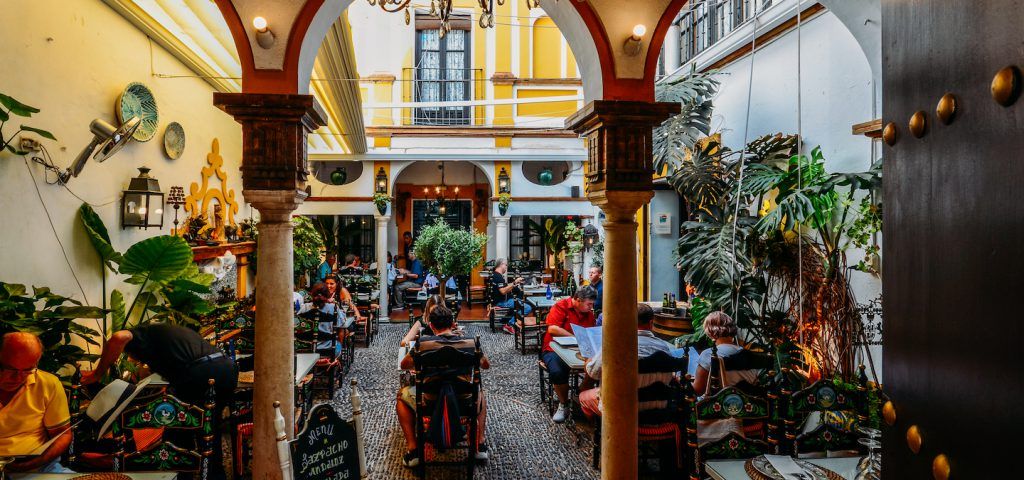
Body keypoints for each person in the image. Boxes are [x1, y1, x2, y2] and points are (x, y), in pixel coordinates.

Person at [83, 323, 238, 479]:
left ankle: (181, 474)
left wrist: (97, 374)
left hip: (200, 372)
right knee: (209, 430)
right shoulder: (167, 338)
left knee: (177, 432)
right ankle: (212, 474)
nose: (132, 359)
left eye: (130, 355)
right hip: (226, 369)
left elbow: (118, 337)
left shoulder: (141, 334)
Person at [396, 306, 490, 467]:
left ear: (431, 326)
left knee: (401, 397)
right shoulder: (469, 342)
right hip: (463, 399)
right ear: (453, 323)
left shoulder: (423, 344)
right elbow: (485, 365)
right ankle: (479, 444)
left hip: (430, 399)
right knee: (479, 393)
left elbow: (404, 364)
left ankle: (413, 450)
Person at [578, 304, 673, 417]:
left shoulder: (615, 345)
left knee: (582, 396)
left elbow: (593, 373)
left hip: (619, 410)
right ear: (651, 323)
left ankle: (602, 431)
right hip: (657, 408)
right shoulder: (664, 347)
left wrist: (589, 359)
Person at [0, 332, 73, 473]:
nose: (18, 377)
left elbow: (63, 434)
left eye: (27, 370)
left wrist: (38, 461)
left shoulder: (47, 383)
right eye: (10, 369)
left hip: (40, 468)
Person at [691, 311, 760, 443]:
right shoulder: (751, 356)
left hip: (719, 416)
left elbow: (698, 390)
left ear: (711, 333)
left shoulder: (710, 355)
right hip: (750, 415)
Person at [540, 286, 598, 423]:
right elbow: (553, 329)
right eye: (589, 304)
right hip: (553, 348)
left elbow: (590, 331)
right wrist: (575, 336)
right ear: (578, 300)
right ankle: (563, 403)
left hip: (580, 349)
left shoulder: (588, 314)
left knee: (596, 367)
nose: (591, 307)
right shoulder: (561, 306)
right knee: (558, 371)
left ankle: (579, 396)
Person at [488, 258, 532, 335]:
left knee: (519, 300)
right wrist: (514, 282)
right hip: (501, 302)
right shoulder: (498, 276)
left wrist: (513, 284)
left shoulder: (495, 275)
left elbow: (503, 288)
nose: (506, 267)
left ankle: (505, 320)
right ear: (501, 264)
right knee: (527, 307)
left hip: (501, 300)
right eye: (505, 265)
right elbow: (503, 291)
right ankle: (509, 324)